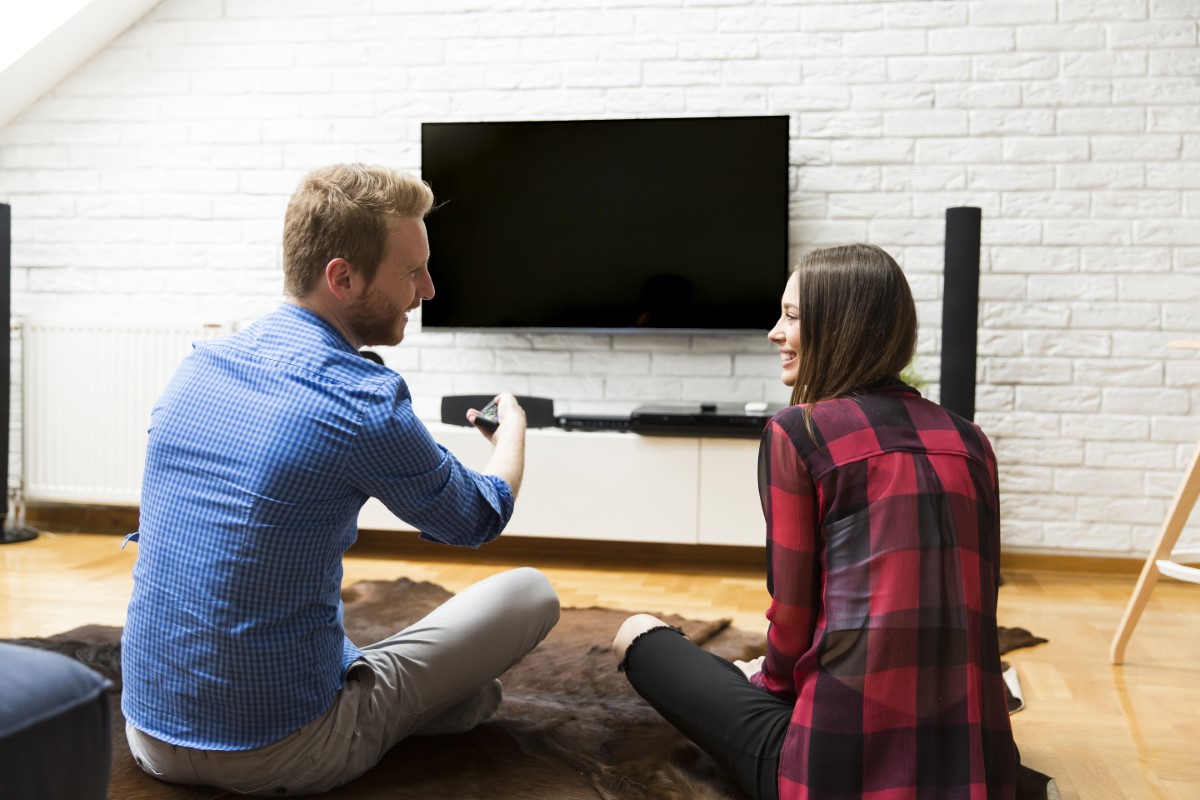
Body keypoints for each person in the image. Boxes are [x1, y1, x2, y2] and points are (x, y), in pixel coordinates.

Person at [121, 163, 560, 796]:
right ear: (342, 277)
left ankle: (415, 705)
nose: (429, 289)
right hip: (283, 753)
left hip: (149, 734)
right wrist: (512, 432)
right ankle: (396, 715)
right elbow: (476, 517)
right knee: (530, 593)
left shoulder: (198, 367)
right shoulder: (362, 401)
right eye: (412, 272)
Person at [613, 244, 1017, 800]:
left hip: (830, 768)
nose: (774, 332)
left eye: (792, 316)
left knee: (636, 632)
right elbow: (980, 601)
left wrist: (765, 680)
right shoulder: (971, 441)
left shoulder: (800, 433)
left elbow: (794, 616)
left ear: (842, 326)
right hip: (977, 765)